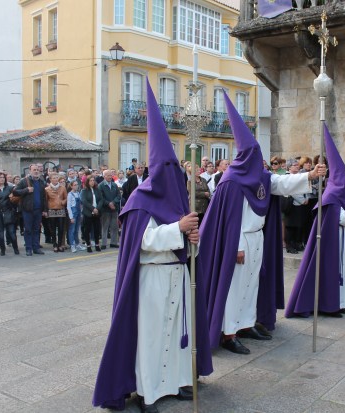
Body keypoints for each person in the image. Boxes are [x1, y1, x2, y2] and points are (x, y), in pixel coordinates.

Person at [93, 80, 213, 412]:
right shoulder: (139, 199)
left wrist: (193, 240)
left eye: (175, 168)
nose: (172, 174)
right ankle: (148, 391)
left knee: (176, 331)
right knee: (152, 336)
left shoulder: (180, 199)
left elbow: (187, 243)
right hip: (152, 277)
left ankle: (175, 382)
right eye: (167, 168)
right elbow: (141, 241)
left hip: (177, 274)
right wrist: (178, 229)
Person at [199, 93, 326, 355]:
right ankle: (229, 332)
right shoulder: (231, 182)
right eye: (255, 153)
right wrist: (235, 247)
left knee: (251, 284)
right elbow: (229, 219)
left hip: (257, 238)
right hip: (239, 241)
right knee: (235, 287)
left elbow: (281, 183)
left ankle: (246, 324)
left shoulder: (261, 177)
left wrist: (310, 175)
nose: (260, 157)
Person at [286, 125, 345, 317]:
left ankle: (341, 301)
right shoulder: (330, 195)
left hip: (342, 238)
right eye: (343, 175)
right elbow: (341, 218)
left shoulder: (341, 193)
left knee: (343, 269)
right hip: (333, 238)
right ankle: (330, 304)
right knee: (333, 270)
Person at [13, 165, 48, 256]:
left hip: (38, 210)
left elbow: (44, 197)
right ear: (30, 171)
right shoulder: (24, 181)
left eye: (37, 170)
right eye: (34, 170)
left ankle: (36, 247)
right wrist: (26, 190)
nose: (36, 171)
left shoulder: (41, 182)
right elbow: (15, 192)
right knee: (28, 229)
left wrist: (45, 209)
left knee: (37, 229)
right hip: (27, 210)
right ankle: (28, 248)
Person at [0, 172, 19, 255]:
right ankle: (2, 249)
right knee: (0, 233)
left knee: (12, 232)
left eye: (3, 177)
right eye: (0, 177)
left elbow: (16, 198)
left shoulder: (10, 188)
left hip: (8, 211)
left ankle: (15, 248)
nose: (2, 179)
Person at [45, 173, 68, 252]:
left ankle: (60, 244)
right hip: (52, 209)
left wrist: (63, 202)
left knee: (61, 228)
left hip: (60, 209)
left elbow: (66, 197)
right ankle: (54, 244)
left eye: (56, 178)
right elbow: (45, 201)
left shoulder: (62, 188)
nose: (55, 179)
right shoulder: (47, 189)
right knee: (53, 228)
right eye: (54, 178)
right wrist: (46, 210)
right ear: (50, 179)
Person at [99, 170, 121, 249]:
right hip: (105, 210)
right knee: (105, 227)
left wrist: (113, 202)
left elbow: (119, 195)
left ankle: (113, 242)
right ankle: (104, 243)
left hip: (114, 209)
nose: (110, 177)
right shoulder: (101, 185)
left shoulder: (114, 185)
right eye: (108, 175)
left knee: (114, 226)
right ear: (104, 176)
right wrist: (108, 203)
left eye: (110, 175)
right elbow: (101, 197)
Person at [81, 176, 103, 253]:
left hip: (97, 212)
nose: (92, 182)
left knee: (97, 229)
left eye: (93, 180)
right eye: (90, 180)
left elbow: (101, 200)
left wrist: (97, 208)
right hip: (88, 213)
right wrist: (93, 209)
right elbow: (84, 201)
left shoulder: (97, 190)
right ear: (87, 182)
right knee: (87, 229)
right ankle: (88, 245)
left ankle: (97, 244)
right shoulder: (84, 190)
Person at [67, 180, 85, 253]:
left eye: (77, 185)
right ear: (71, 186)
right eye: (74, 185)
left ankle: (77, 244)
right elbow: (68, 206)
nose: (76, 186)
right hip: (73, 213)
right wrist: (71, 217)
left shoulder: (78, 193)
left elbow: (80, 205)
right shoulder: (70, 194)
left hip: (78, 213)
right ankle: (72, 245)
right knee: (72, 230)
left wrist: (81, 214)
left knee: (77, 230)